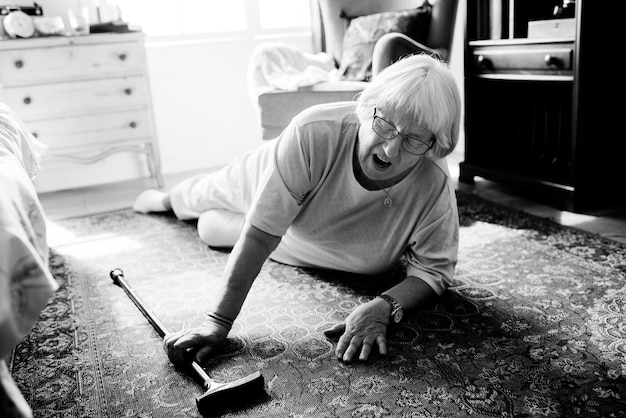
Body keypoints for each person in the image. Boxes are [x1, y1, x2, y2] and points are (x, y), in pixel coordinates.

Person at [133, 53, 461, 365]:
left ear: (434, 145)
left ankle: (211, 220)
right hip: (261, 182)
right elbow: (260, 236)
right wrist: (217, 322)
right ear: (365, 109)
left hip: (300, 236)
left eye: (414, 140)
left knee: (210, 230)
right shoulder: (312, 132)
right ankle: (165, 199)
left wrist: (384, 305)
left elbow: (433, 271)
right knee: (195, 197)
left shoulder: (433, 181)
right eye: (385, 125)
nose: (391, 149)